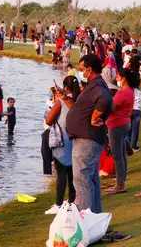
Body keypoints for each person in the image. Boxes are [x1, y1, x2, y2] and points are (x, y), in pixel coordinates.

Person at [66, 54, 113, 213]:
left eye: (81, 70)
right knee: (90, 180)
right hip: (88, 138)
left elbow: (105, 100)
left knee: (81, 181)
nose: (81, 73)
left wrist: (94, 117)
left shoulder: (97, 86)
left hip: (86, 140)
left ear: (89, 69)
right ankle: (94, 216)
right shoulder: (93, 85)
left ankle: (84, 220)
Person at [44, 76, 80, 215]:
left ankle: (58, 204)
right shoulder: (79, 98)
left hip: (62, 139)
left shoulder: (62, 101)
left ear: (65, 87)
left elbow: (48, 120)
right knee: (71, 172)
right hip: (75, 139)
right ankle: (71, 200)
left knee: (60, 173)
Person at [105, 68, 137, 194]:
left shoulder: (123, 93)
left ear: (124, 78)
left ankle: (120, 185)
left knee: (117, 156)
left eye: (118, 76)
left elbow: (111, 108)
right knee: (121, 154)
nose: (117, 78)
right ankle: (120, 180)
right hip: (124, 123)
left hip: (117, 125)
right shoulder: (130, 91)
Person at [128, 79, 141, 152]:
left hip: (129, 111)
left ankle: (127, 145)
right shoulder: (140, 92)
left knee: (129, 128)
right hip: (137, 110)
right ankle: (133, 146)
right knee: (135, 129)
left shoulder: (127, 92)